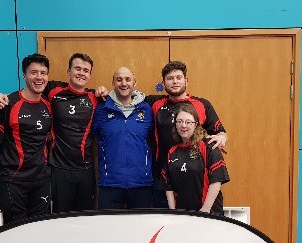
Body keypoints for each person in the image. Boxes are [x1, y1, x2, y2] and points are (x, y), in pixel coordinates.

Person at [96, 61, 227, 208]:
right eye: (170, 78)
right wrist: (104, 93)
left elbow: (220, 132)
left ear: (186, 81)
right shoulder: (153, 103)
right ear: (164, 83)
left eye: (178, 77)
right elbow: (125, 95)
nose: (175, 81)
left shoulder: (202, 104)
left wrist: (222, 136)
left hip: (194, 176)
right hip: (162, 179)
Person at [0, 53, 98, 212]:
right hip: (58, 170)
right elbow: (28, 91)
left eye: (86, 70)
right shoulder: (52, 89)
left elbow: (120, 98)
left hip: (86, 170)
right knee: (57, 220)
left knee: (84, 219)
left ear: (90, 75)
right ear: (68, 71)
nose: (81, 73)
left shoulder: (96, 97)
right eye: (77, 68)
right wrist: (1, 97)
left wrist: (103, 91)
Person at [0, 53, 52, 223]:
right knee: (14, 233)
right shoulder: (7, 103)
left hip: (41, 180)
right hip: (12, 180)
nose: (39, 77)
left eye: (43, 73)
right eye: (33, 72)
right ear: (24, 75)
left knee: (40, 230)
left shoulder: (49, 105)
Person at [92, 67, 153, 209]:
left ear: (134, 83)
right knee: (109, 229)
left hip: (141, 183)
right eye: (119, 80)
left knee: (140, 229)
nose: (124, 83)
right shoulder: (101, 109)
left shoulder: (147, 110)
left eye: (128, 79)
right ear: (113, 83)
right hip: (110, 183)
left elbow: (153, 140)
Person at [161, 103, 229, 214]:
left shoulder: (209, 146)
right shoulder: (172, 152)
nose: (183, 125)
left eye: (188, 122)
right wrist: (173, 212)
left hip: (208, 214)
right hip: (183, 215)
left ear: (196, 124)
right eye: (179, 121)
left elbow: (216, 181)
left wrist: (205, 210)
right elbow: (169, 187)